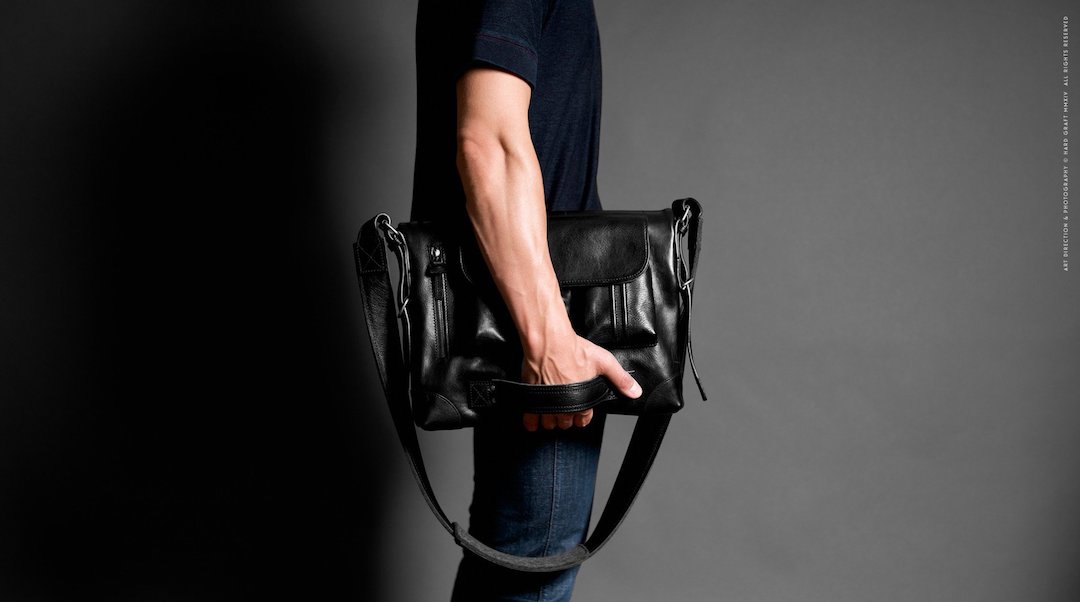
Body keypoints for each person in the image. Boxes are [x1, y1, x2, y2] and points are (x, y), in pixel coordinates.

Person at [411, 0, 642, 599]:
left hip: (518, 316)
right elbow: (486, 143)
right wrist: (549, 340)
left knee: (513, 564)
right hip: (537, 329)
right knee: (530, 571)